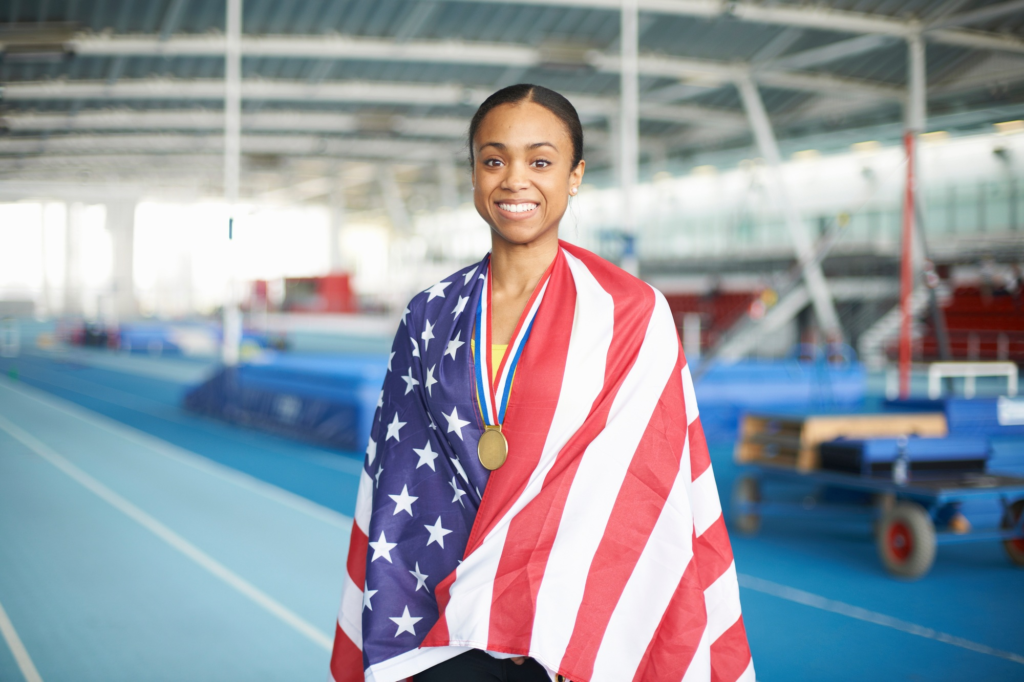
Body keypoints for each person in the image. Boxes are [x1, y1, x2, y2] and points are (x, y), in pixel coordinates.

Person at [330, 84, 753, 682]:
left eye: (541, 161)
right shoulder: (428, 313)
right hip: (445, 621)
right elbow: (403, 474)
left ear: (575, 175)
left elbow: (651, 482)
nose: (515, 180)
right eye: (494, 159)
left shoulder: (630, 312)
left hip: (571, 625)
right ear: (474, 173)